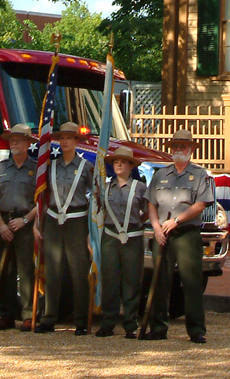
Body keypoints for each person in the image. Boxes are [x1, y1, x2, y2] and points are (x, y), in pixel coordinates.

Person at [141, 129, 214, 344]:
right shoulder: (160, 175)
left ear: (191, 149)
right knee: (159, 282)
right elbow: (151, 204)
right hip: (162, 234)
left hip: (186, 233)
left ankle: (196, 329)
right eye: (175, 146)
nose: (178, 150)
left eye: (183, 146)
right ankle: (158, 327)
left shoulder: (200, 175)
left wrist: (177, 220)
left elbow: (200, 205)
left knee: (191, 282)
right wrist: (156, 227)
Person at [36, 121, 93, 334]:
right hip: (53, 219)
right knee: (52, 270)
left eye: (69, 138)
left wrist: (91, 231)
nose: (65, 142)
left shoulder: (86, 167)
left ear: (77, 141)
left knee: (79, 271)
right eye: (62, 138)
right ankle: (49, 317)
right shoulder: (50, 166)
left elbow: (94, 197)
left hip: (76, 219)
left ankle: (80, 320)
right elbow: (42, 197)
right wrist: (38, 224)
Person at [0, 123, 38, 331]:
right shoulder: (0, 168)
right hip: (4, 223)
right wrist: (0, 225)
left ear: (27, 144)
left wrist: (25, 220)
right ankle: (6, 315)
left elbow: (40, 200)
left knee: (26, 270)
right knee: (4, 271)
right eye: (12, 140)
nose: (14, 143)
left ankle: (27, 315)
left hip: (24, 223)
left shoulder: (35, 170)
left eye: (18, 140)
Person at [95, 144, 147, 338]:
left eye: (123, 162)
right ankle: (108, 323)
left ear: (130, 166)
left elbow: (148, 211)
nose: (118, 165)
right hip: (110, 237)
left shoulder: (140, 188)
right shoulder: (106, 187)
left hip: (132, 237)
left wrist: (137, 224)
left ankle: (130, 324)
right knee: (109, 280)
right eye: (116, 162)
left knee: (131, 281)